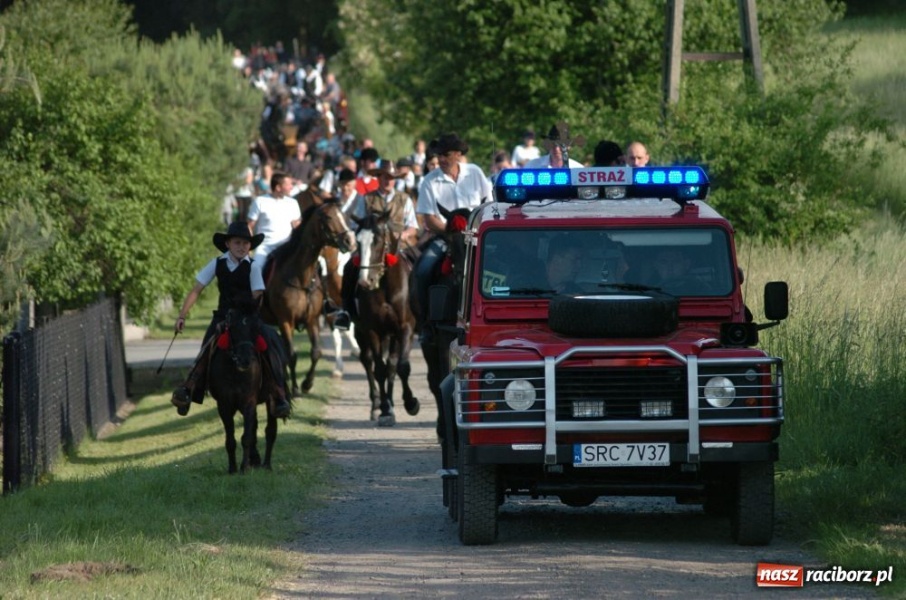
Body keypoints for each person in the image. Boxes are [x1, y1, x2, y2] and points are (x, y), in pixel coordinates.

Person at [170, 221, 291, 418]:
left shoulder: (252, 267)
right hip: (222, 317)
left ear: (250, 246)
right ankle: (189, 389)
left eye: (245, 243)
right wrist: (182, 315)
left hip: (247, 317)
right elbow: (197, 289)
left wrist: (245, 308)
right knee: (206, 348)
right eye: (237, 243)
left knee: (267, 346)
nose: (241, 247)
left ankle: (279, 393)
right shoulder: (217, 263)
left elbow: (258, 292)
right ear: (228, 244)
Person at [414, 133, 491, 341]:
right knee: (423, 269)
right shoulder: (429, 181)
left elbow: (489, 203)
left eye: (445, 154)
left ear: (457, 154)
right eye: (439, 155)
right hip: (445, 237)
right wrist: (451, 230)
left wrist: (473, 228)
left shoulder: (475, 173)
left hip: (477, 236)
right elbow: (429, 218)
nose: (440, 159)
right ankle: (425, 324)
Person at [336, 161, 419, 330]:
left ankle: (422, 311)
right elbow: (355, 224)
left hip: (398, 247)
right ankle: (346, 311)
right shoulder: (366, 198)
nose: (388, 181)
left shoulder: (405, 199)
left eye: (391, 178)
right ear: (378, 178)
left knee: (421, 265)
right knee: (349, 267)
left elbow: (413, 226)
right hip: (371, 247)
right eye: (385, 177)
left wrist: (404, 234)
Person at [247, 171, 302, 264]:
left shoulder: (293, 203)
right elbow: (249, 226)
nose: (291, 187)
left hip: (287, 246)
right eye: (288, 185)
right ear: (278, 187)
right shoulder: (260, 201)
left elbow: (297, 226)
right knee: (255, 268)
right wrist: (247, 247)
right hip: (265, 247)